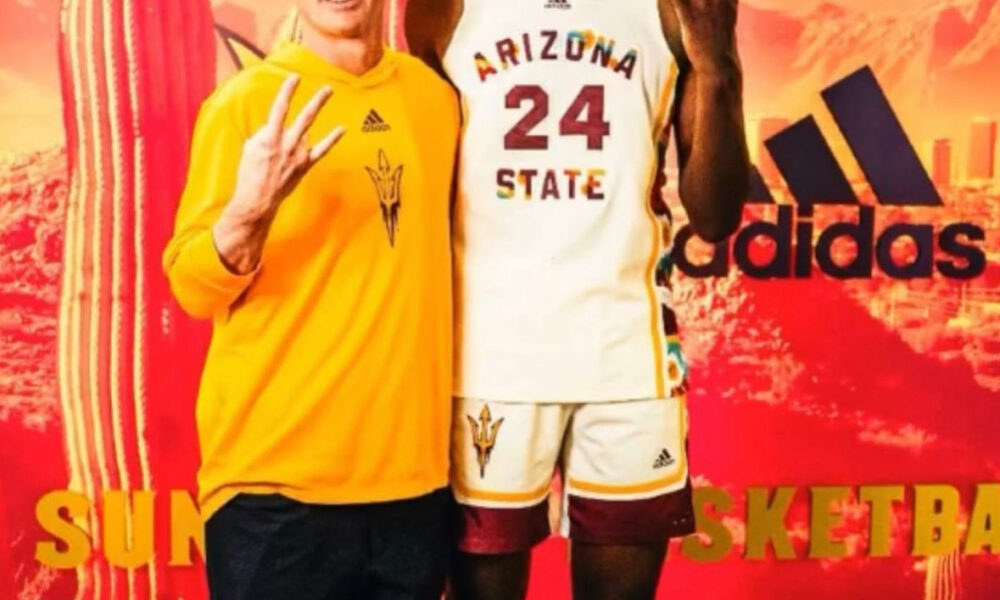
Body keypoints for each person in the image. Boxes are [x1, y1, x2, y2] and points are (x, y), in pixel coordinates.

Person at [405, 0, 749, 598]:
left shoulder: (677, 7)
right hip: (490, 359)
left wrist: (717, 65)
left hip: (627, 360)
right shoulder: (443, 7)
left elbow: (715, 217)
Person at [162, 0, 459, 597]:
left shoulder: (436, 101)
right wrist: (250, 210)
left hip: (413, 493)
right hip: (274, 497)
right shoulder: (247, 104)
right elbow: (191, 288)